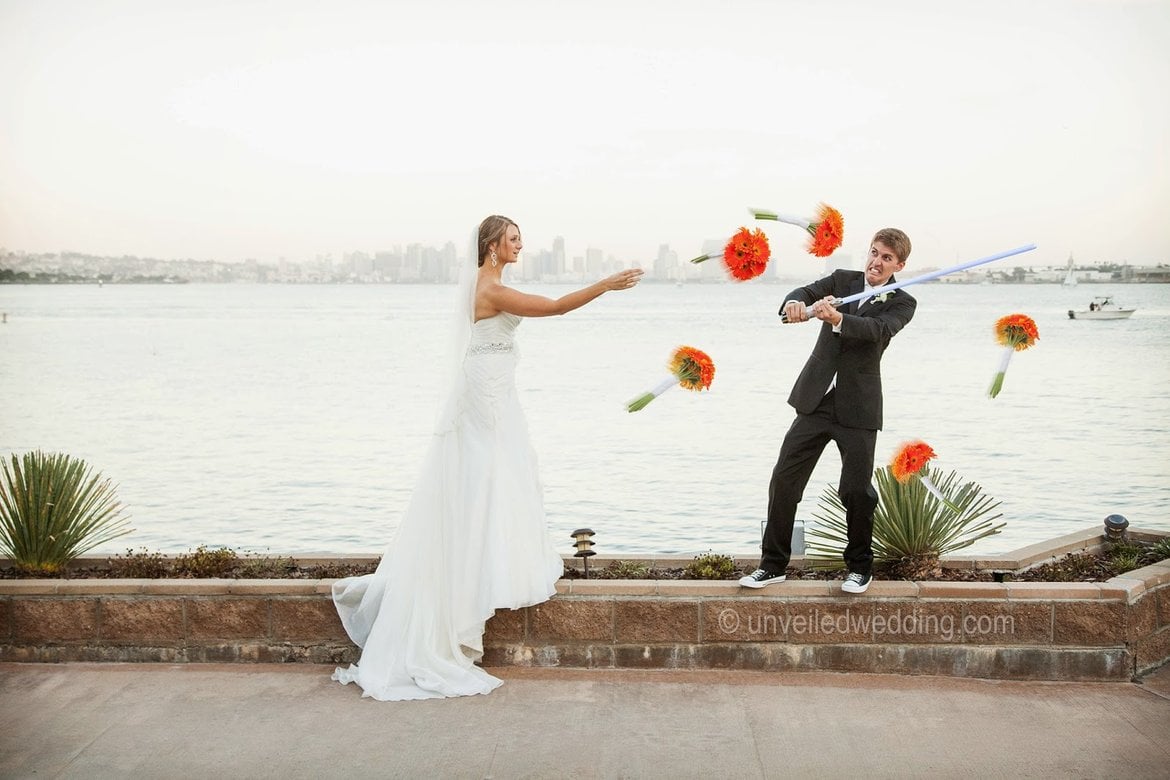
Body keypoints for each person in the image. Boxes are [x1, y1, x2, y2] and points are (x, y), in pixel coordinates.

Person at [331, 215, 643, 700]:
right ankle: (468, 590)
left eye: (522, 238)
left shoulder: (490, 283)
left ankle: (476, 578)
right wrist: (605, 284)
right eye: (514, 239)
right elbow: (556, 307)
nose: (522, 245)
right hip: (488, 398)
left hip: (493, 388)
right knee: (488, 481)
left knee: (489, 482)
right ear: (492, 245)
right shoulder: (490, 289)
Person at [740, 228, 917, 595]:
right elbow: (804, 294)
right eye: (874, 252)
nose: (876, 262)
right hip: (816, 401)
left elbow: (875, 331)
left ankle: (859, 568)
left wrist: (837, 319)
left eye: (887, 258)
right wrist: (794, 305)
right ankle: (772, 565)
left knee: (855, 490)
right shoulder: (842, 279)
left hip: (859, 407)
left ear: (899, 265)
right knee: (785, 479)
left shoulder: (903, 303)